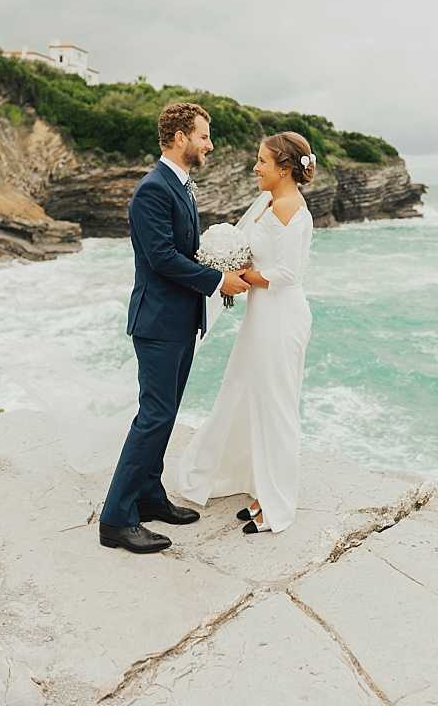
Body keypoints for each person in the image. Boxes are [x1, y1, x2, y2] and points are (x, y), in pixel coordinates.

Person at [99, 102, 250, 554]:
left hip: (180, 320)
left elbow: (185, 248)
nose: (209, 144)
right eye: (203, 136)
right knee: (154, 417)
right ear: (180, 137)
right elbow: (162, 258)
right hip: (158, 322)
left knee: (164, 414)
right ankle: (116, 518)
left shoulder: (181, 185)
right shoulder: (153, 189)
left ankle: (149, 495)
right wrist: (219, 279)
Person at [178, 131, 315, 534]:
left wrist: (239, 277)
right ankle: (254, 485)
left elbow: (289, 274)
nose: (256, 167)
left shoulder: (294, 211)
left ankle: (276, 503)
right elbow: (247, 246)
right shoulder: (267, 202)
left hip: (282, 317)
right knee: (247, 394)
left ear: (285, 169)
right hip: (262, 315)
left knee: (276, 405)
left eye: (263, 162)